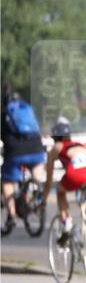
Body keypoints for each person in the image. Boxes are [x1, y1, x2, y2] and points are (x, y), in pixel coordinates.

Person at [41, 118, 86, 252]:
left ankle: (67, 222)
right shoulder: (81, 145)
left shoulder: (57, 147)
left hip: (76, 175)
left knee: (60, 190)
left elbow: (48, 180)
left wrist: (43, 201)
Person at [1, 89, 47, 235]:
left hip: (16, 151)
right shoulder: (28, 110)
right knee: (37, 166)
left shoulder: (5, 114)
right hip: (36, 147)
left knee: (7, 182)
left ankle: (13, 216)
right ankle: (36, 189)